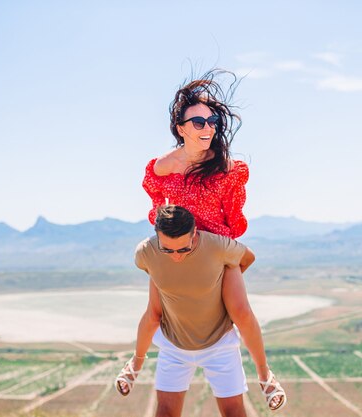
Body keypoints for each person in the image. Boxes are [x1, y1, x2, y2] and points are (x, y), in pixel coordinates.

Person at [116, 70, 286, 412]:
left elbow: (233, 221)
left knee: (240, 311)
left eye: (212, 121)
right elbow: (156, 207)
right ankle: (134, 364)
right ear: (180, 127)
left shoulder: (226, 168)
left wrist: (218, 253)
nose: (207, 128)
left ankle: (266, 376)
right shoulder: (162, 167)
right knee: (154, 313)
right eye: (198, 122)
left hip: (215, 249)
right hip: (175, 244)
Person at [115, 205, 285, 417]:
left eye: (183, 249)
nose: (176, 256)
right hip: (173, 345)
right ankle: (134, 364)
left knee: (234, 412)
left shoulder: (216, 246)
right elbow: (153, 312)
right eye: (167, 249)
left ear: (194, 233)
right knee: (165, 412)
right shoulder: (146, 252)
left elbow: (248, 257)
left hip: (219, 344)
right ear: (157, 237)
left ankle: (265, 374)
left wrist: (221, 282)